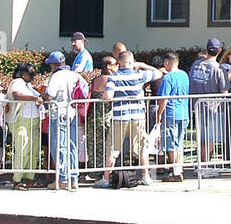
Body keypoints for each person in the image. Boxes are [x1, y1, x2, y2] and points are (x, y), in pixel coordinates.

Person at [98, 51, 163, 187]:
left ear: (119, 62)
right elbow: (159, 73)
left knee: (113, 149)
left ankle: (105, 178)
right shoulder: (139, 75)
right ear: (131, 62)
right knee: (141, 148)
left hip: (119, 116)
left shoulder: (113, 77)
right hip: (137, 116)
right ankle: (146, 176)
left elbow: (108, 95)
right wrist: (142, 65)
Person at [42, 52, 86, 190]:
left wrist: (41, 95)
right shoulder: (75, 74)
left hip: (58, 113)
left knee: (59, 146)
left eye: (50, 64)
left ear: (54, 64)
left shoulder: (56, 76)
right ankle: (73, 179)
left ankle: (62, 179)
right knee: (72, 146)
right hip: (72, 112)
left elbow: (50, 95)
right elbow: (84, 91)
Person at [190, 38, 230, 175]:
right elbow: (224, 91)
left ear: (206, 50)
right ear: (220, 51)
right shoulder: (218, 69)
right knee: (210, 139)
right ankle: (205, 167)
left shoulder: (195, 64)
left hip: (197, 107)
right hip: (213, 108)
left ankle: (200, 165)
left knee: (201, 138)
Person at [7, 63, 44, 189]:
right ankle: (17, 180)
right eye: (31, 74)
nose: (32, 77)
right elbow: (17, 95)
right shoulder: (17, 82)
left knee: (33, 152)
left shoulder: (28, 85)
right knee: (22, 151)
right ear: (23, 73)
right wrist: (34, 98)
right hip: (21, 121)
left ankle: (30, 179)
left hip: (34, 121)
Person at [153, 52, 189, 182]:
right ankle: (178, 168)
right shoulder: (184, 75)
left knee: (171, 143)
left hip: (171, 113)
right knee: (179, 142)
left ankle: (176, 172)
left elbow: (164, 98)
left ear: (167, 62)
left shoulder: (168, 78)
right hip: (184, 112)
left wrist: (159, 113)